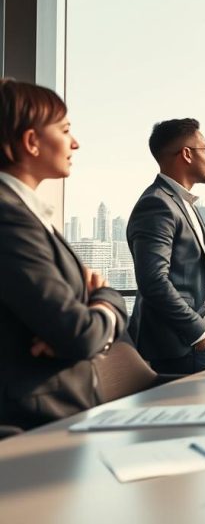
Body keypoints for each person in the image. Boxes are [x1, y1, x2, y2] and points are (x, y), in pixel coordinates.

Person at [0, 79, 128, 430]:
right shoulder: (9, 216)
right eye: (65, 130)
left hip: (59, 420)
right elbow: (78, 333)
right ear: (31, 142)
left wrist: (84, 321)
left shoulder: (27, 215)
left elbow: (74, 333)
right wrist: (104, 301)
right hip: (35, 427)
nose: (75, 143)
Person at [127, 118, 205, 374]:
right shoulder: (157, 204)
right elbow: (152, 280)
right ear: (186, 153)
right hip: (182, 343)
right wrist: (200, 333)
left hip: (197, 338)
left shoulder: (186, 205)